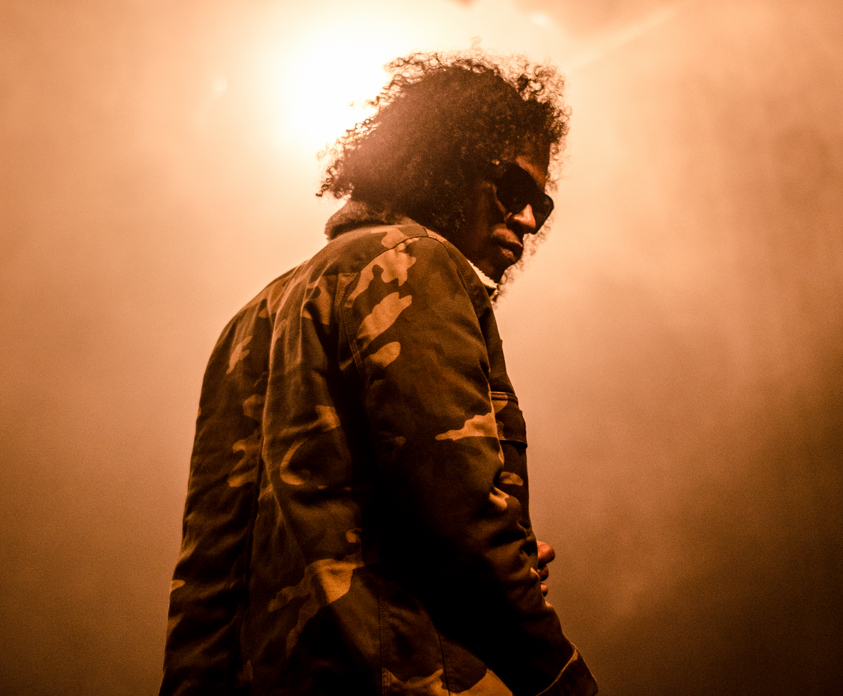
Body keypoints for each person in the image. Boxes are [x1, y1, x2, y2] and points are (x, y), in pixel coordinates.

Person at [160, 51, 598, 696]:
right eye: (514, 189)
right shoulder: (415, 261)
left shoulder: (248, 322)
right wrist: (561, 678)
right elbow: (464, 528)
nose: (529, 221)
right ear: (451, 164)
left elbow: (205, 582)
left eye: (543, 204)